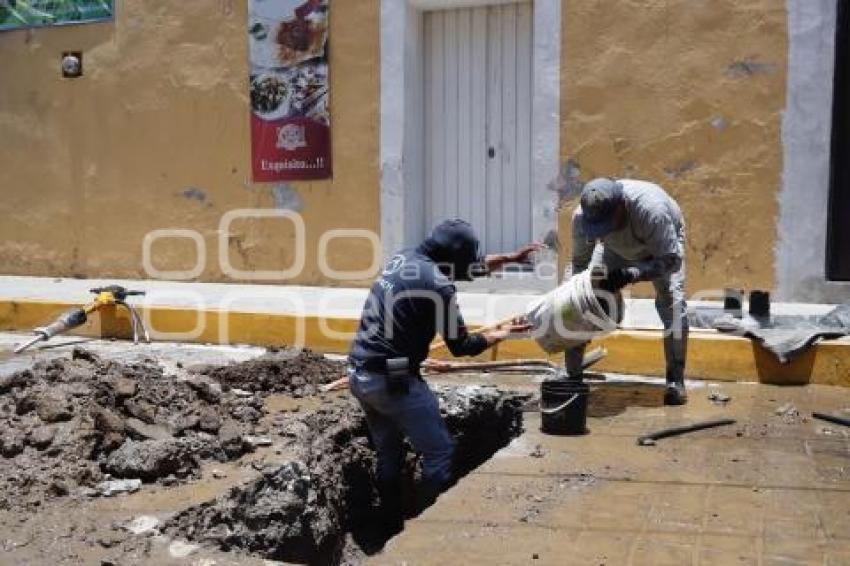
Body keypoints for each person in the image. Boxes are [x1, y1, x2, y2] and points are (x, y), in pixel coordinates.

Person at [348, 219, 536, 532]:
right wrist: (501, 333)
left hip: (359, 372)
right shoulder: (438, 286)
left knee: (389, 450)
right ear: (452, 259)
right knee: (440, 453)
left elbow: (470, 268)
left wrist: (510, 259)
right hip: (393, 381)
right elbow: (462, 345)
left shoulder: (405, 258)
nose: (472, 267)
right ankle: (426, 528)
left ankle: (387, 523)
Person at [568, 177, 688, 405]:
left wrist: (634, 273)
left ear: (622, 206)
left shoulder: (652, 211)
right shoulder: (582, 218)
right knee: (581, 297)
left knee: (672, 303)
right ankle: (573, 377)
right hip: (614, 250)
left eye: (605, 225)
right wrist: (573, 298)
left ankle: (676, 381)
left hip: (659, 250)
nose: (600, 233)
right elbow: (578, 265)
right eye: (597, 229)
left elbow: (672, 260)